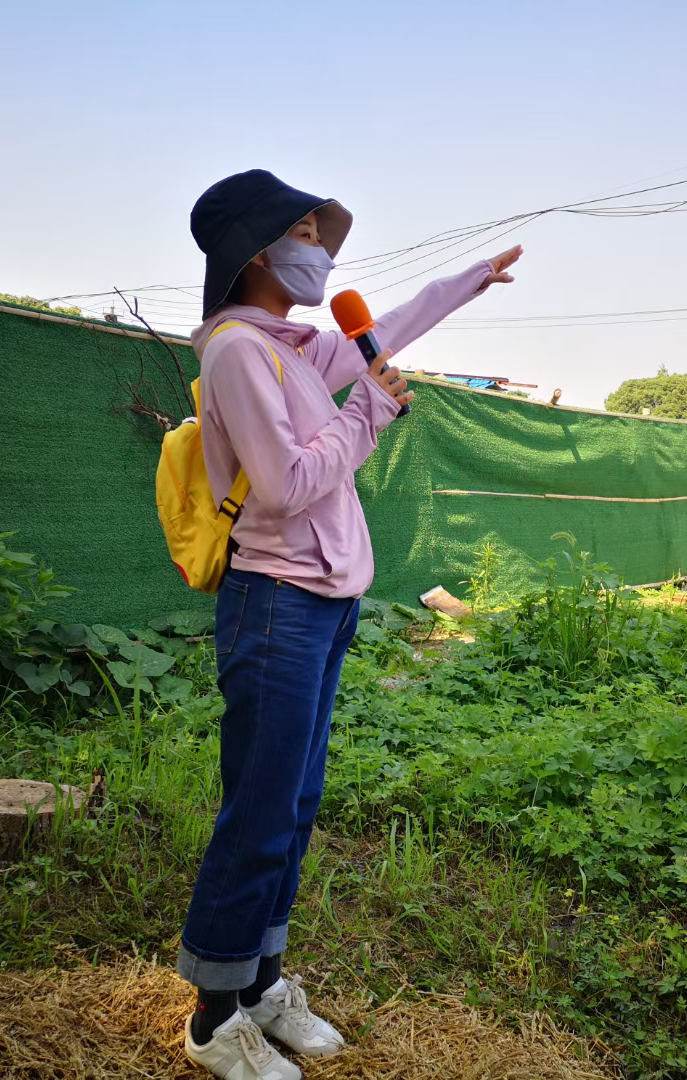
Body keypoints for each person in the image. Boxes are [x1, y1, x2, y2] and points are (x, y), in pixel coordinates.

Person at [178, 169, 521, 1079]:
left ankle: (261, 986)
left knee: (293, 803)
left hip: (323, 602)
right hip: (274, 601)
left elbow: (387, 329)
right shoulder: (238, 353)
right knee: (259, 809)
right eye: (302, 233)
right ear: (255, 252)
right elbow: (287, 483)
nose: (320, 252)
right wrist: (369, 407)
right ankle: (214, 1015)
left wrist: (469, 280)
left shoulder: (293, 349)